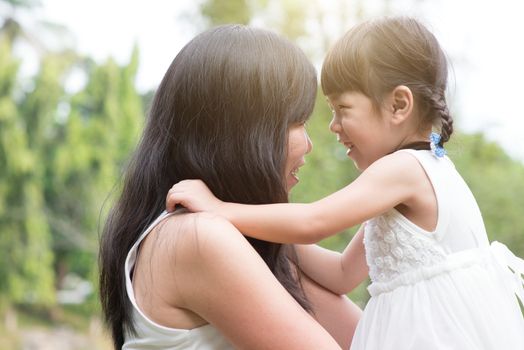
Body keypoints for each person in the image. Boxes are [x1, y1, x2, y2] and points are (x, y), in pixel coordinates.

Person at [166, 17, 524, 349]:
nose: (333, 126)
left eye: (343, 109)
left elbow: (312, 222)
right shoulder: (421, 174)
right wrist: (263, 237)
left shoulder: (404, 168)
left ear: (399, 105)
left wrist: (220, 209)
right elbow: (340, 275)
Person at [99, 24, 362, 350]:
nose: (308, 145)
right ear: (243, 133)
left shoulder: (249, 243)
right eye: (297, 122)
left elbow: (371, 339)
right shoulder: (196, 236)